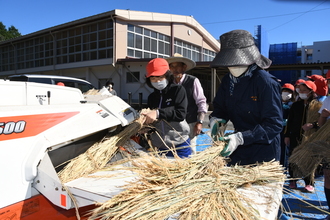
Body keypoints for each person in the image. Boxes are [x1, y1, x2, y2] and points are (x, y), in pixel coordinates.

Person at [209, 29, 283, 166]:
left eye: (236, 62)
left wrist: (241, 138)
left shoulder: (265, 82)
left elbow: (274, 124)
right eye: (229, 62)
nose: (232, 67)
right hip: (238, 149)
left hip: (263, 151)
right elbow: (221, 106)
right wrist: (217, 118)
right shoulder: (227, 80)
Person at [141, 58, 191, 158]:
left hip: (179, 143)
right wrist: (147, 128)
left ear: (167, 76)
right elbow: (154, 121)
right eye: (153, 79)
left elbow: (180, 113)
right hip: (160, 146)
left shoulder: (178, 90)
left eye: (160, 77)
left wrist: (158, 113)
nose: (157, 81)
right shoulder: (152, 97)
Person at [166, 53, 208, 155]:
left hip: (190, 122)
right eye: (172, 66)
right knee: (173, 149)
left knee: (190, 149)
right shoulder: (168, 83)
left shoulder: (193, 81)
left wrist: (200, 122)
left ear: (184, 67)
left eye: (178, 66)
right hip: (173, 124)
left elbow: (201, 101)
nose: (175, 69)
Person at [284, 80, 318, 192]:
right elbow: (290, 121)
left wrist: (313, 125)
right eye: (300, 90)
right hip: (295, 135)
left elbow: (322, 122)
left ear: (311, 91)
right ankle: (293, 180)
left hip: (309, 137)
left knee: (308, 159)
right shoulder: (295, 105)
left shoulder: (317, 105)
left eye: (305, 90)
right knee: (293, 157)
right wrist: (287, 135)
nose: (302, 92)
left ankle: (309, 182)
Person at [280, 83, 295, 171]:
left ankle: (284, 169)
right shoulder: (276, 103)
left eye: (288, 92)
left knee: (285, 151)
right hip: (276, 129)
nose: (286, 94)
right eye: (284, 91)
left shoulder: (292, 105)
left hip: (286, 130)